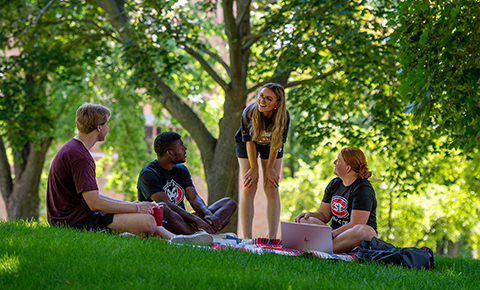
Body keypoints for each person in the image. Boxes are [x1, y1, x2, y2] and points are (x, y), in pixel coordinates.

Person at [46, 103, 212, 245]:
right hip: (73, 221)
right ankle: (176, 240)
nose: (108, 128)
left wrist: (132, 205)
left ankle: (179, 240)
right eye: (107, 125)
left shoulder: (74, 149)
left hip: (77, 214)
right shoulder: (80, 156)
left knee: (144, 214)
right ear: (99, 127)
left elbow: (93, 198)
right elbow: (94, 203)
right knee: (147, 221)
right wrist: (136, 207)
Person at [137, 132, 237, 235]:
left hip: (184, 221)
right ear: (170, 153)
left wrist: (207, 213)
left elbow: (194, 198)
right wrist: (197, 220)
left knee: (229, 203)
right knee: (162, 207)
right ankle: (197, 234)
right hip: (165, 222)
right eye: (181, 146)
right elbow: (167, 204)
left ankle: (199, 233)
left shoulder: (181, 170)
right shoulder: (148, 174)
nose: (185, 148)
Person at [294, 147, 377, 252]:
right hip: (335, 234)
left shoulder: (363, 189)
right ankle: (326, 245)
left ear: (348, 168)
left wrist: (331, 235)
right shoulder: (334, 184)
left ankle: (319, 245)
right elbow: (324, 216)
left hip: (352, 234)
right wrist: (309, 214)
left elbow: (355, 224)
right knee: (304, 220)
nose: (334, 162)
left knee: (365, 231)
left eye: (338, 161)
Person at [234, 83, 290, 239]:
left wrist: (270, 167)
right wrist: (253, 168)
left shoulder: (284, 117)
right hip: (247, 144)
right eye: (261, 96)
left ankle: (272, 238)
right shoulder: (249, 112)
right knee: (250, 184)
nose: (262, 101)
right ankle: (247, 238)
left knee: (272, 185)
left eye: (268, 99)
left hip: (272, 145)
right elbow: (250, 142)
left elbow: (276, 143)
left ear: (277, 103)